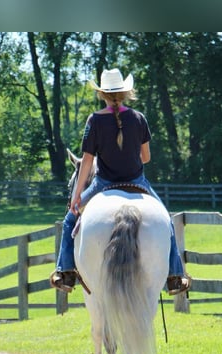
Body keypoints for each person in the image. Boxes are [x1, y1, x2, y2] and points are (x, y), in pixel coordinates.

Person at [50, 68, 191, 296]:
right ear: (126, 93)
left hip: (103, 184)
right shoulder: (139, 118)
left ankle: (65, 272)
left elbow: (87, 161)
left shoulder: (94, 120)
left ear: (102, 94)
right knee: (166, 219)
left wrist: (76, 196)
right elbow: (146, 158)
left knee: (69, 220)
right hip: (137, 181)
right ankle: (175, 276)